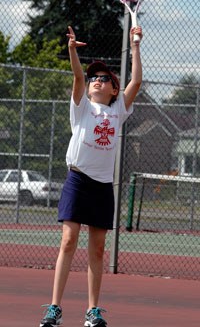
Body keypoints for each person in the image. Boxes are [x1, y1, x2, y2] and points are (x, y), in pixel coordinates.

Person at [39, 24, 143, 327]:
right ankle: (54, 308)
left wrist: (135, 45)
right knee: (69, 240)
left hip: (102, 187)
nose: (96, 81)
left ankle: (92, 311)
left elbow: (136, 80)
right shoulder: (82, 108)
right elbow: (78, 77)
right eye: (94, 78)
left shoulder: (118, 110)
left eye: (104, 78)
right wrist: (72, 51)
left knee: (97, 248)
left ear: (114, 89)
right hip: (77, 180)